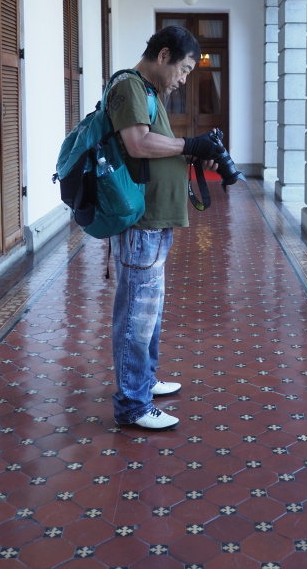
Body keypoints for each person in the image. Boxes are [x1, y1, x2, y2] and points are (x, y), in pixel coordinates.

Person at [106, 26, 221, 429]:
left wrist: (197, 151)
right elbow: (138, 144)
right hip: (141, 223)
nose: (185, 78)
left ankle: (144, 381)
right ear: (164, 56)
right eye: (185, 69)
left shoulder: (150, 92)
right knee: (137, 314)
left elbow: (159, 149)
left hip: (156, 222)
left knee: (149, 313)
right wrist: (192, 145)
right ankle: (132, 406)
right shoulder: (130, 87)